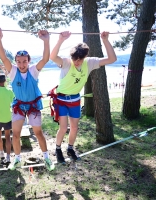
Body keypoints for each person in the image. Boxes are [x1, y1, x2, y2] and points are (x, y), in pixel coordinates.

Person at [0, 28, 55, 171]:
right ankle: (17, 159)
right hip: (19, 106)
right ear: (15, 62)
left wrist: (46, 41)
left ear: (28, 61)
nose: (22, 64)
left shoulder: (33, 70)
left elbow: (45, 59)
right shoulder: (13, 71)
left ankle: (46, 158)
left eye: (24, 61)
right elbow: (4, 58)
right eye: (19, 62)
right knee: (16, 134)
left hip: (33, 106)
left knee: (38, 133)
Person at [49, 31, 117, 163]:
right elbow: (53, 56)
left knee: (74, 127)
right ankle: (57, 149)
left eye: (80, 59)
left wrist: (105, 40)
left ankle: (70, 148)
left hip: (74, 99)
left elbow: (112, 59)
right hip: (61, 99)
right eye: (75, 58)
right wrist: (60, 40)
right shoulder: (67, 63)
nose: (77, 62)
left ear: (85, 56)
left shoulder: (90, 62)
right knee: (63, 128)